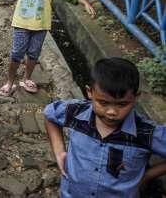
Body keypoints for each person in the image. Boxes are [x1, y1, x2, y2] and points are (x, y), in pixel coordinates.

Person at [44, 58, 166, 197]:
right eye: (103, 103)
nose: (111, 112)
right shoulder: (75, 112)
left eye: (122, 104)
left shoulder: (146, 132)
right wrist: (59, 152)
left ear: (136, 97)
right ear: (90, 92)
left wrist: (147, 176)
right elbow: (50, 114)